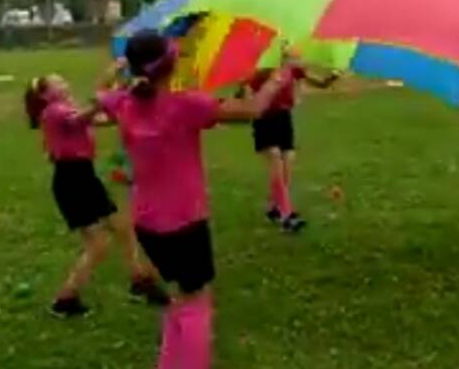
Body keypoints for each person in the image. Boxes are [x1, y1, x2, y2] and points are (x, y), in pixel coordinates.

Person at [96, 29, 286, 369]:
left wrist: (117, 69)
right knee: (197, 302)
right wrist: (282, 75)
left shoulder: (122, 103)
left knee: (179, 298)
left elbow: (100, 94)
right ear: (171, 65)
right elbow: (254, 109)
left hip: (146, 224)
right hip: (185, 222)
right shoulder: (186, 105)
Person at [24, 72, 167, 318]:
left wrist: (121, 95)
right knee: (98, 245)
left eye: (63, 79)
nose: (65, 83)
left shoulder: (65, 109)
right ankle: (64, 300)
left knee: (122, 228)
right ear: (45, 95)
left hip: (83, 178)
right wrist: (110, 95)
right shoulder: (54, 111)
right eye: (58, 82)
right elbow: (83, 118)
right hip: (73, 180)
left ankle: (140, 282)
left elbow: (102, 119)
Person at [242, 44, 339, 232]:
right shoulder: (262, 71)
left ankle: (273, 207)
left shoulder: (293, 70)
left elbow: (321, 83)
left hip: (283, 119)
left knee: (286, 169)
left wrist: (333, 76)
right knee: (276, 163)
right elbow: (246, 95)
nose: (290, 55)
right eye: (286, 52)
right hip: (264, 120)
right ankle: (287, 216)